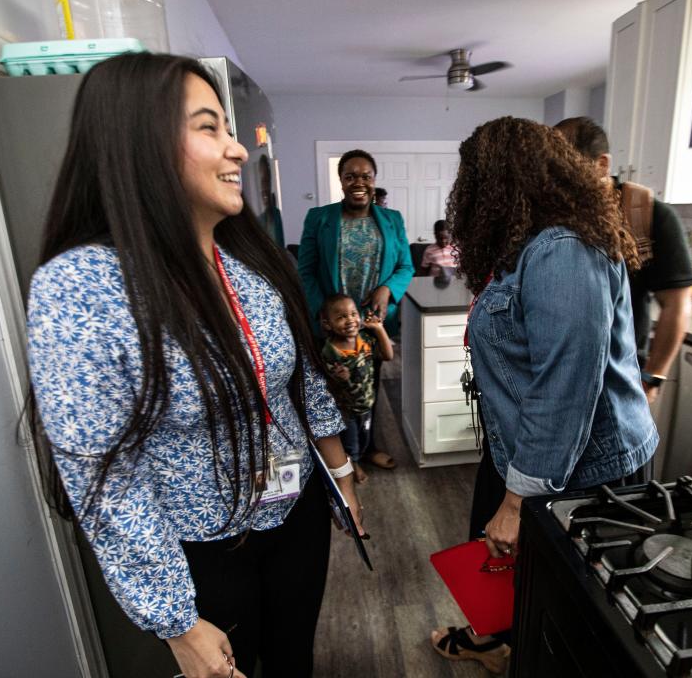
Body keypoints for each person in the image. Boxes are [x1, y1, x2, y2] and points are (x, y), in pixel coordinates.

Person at [25, 53, 363, 678]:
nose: (237, 150)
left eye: (227, 128)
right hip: (204, 552)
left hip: (296, 513)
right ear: (139, 145)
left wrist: (340, 475)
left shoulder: (252, 265)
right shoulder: (84, 285)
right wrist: (175, 617)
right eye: (209, 128)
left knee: (294, 660)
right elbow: (105, 474)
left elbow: (303, 383)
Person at [429, 118, 657, 673]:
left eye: (475, 182)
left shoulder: (563, 250)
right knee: (522, 588)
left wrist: (516, 502)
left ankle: (517, 651)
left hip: (585, 468)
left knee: (571, 629)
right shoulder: (532, 245)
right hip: (538, 454)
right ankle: (500, 643)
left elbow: (565, 389)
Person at [554, 117, 692, 407]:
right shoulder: (557, 217)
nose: (555, 180)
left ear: (602, 164)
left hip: (620, 381)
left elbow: (677, 306)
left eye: (564, 167)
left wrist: (653, 377)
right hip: (562, 379)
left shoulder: (649, 216)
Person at [298, 149, 415, 471]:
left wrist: (387, 288)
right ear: (341, 181)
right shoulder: (319, 218)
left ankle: (368, 446)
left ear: (374, 180)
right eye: (351, 176)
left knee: (368, 387)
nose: (359, 182)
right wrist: (324, 312)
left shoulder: (392, 220)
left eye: (366, 176)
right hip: (334, 325)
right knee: (334, 387)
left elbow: (406, 265)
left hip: (372, 323)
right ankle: (340, 456)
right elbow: (305, 270)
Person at [320, 293, 395, 484]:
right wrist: (340, 378)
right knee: (350, 441)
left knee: (365, 436)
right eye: (341, 317)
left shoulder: (365, 340)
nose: (350, 320)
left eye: (353, 314)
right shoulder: (330, 351)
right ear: (328, 324)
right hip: (346, 409)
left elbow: (388, 355)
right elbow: (327, 385)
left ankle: (359, 456)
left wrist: (379, 329)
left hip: (367, 402)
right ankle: (353, 463)